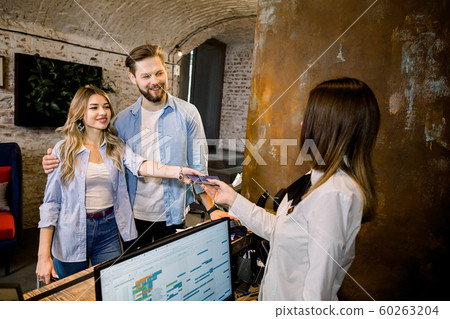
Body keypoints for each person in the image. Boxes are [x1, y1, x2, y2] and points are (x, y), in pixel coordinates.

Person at [201, 78, 380, 301]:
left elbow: (316, 298)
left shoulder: (334, 194)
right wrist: (231, 198)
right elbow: (279, 229)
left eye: (309, 116)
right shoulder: (317, 178)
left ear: (327, 126)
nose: (303, 123)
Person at [42, 44, 233, 248]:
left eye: (159, 73)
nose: (155, 81)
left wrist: (212, 209)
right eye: (145, 76)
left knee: (169, 272)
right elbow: (95, 148)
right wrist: (57, 158)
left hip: (172, 212)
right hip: (130, 214)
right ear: (132, 78)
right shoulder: (120, 121)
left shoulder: (188, 113)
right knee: (136, 277)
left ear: (166, 71)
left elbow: (198, 167)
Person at [36, 85, 203, 284]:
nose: (103, 112)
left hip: (108, 230)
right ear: (80, 113)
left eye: (106, 107)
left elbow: (141, 165)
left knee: (113, 287)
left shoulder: (117, 146)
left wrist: (178, 172)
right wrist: (43, 257)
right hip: (70, 232)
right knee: (72, 292)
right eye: (94, 107)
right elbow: (50, 205)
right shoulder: (63, 150)